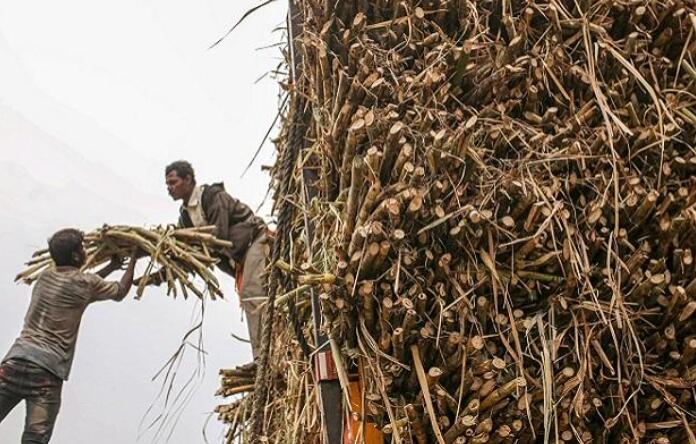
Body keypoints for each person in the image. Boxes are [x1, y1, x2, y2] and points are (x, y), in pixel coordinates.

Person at [0, 228, 139, 443]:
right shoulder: (85, 284)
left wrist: (111, 266)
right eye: (81, 248)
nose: (84, 252)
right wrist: (134, 259)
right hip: (45, 375)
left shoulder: (44, 277)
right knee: (34, 438)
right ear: (76, 255)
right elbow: (119, 291)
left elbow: (83, 287)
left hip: (12, 364)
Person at [160, 160, 269, 360]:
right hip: (240, 257)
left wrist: (190, 248)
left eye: (173, 182)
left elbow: (219, 237)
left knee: (251, 293)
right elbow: (188, 254)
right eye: (167, 184)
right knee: (251, 298)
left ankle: (262, 358)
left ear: (188, 179)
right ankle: (263, 354)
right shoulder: (185, 217)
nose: (169, 188)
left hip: (254, 241)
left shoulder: (211, 197)